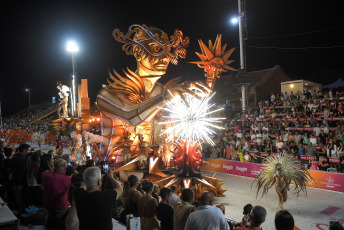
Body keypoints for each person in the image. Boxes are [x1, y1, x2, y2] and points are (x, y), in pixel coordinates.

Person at [41, 158, 71, 230]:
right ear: (64, 168)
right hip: (61, 206)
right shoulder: (67, 179)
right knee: (59, 225)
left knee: (49, 224)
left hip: (47, 204)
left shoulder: (44, 174)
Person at [10, 143, 30, 211]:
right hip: (19, 183)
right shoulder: (21, 160)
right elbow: (21, 173)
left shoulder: (15, 157)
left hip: (15, 182)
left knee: (18, 199)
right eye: (28, 150)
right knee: (20, 200)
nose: (28, 152)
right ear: (24, 150)